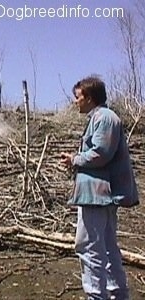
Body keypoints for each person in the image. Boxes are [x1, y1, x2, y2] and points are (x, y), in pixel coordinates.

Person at [60, 76, 139, 300]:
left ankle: (97, 296)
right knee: (106, 247)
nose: (75, 102)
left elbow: (100, 154)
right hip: (100, 194)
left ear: (90, 97)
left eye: (78, 97)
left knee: (89, 248)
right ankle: (117, 294)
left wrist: (75, 159)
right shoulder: (101, 117)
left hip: (97, 195)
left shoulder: (105, 118)